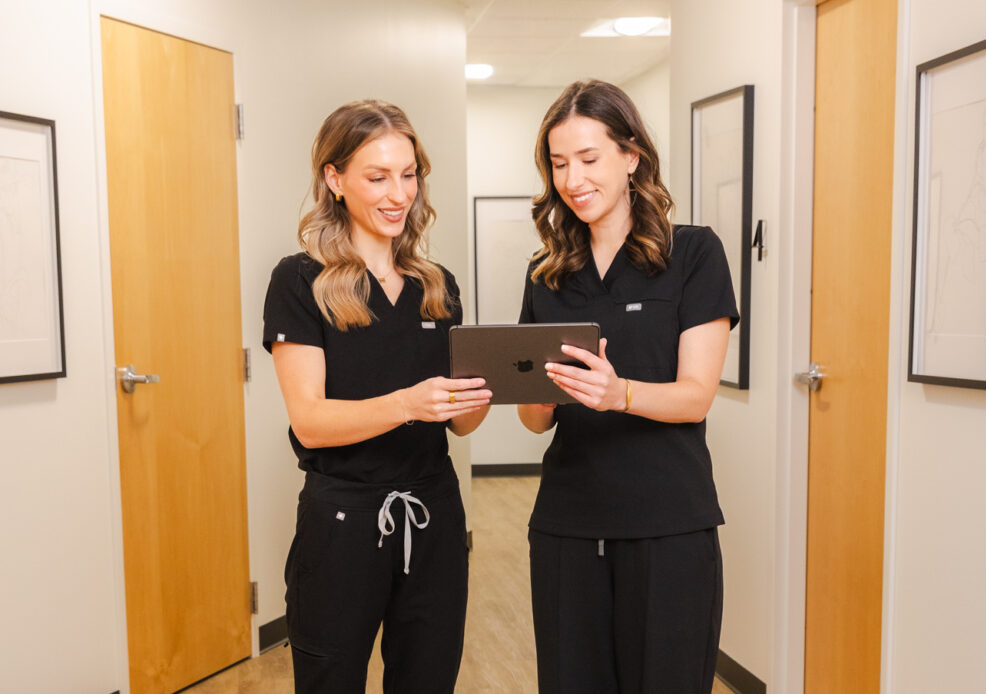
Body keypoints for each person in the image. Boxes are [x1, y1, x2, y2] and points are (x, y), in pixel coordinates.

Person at [517, 80, 739, 694]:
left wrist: (622, 394)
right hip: (567, 523)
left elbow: (696, 394)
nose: (572, 179)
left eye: (588, 159)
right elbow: (536, 421)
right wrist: (530, 390)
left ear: (631, 156)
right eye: (559, 164)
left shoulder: (693, 253)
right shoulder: (547, 273)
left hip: (668, 524)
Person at [262, 100, 491, 693]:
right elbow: (310, 422)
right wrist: (410, 403)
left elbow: (462, 428)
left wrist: (485, 392)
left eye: (409, 174)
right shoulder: (299, 280)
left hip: (435, 513)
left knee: (428, 678)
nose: (399, 194)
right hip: (344, 521)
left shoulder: (436, 285)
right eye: (377, 176)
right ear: (334, 180)